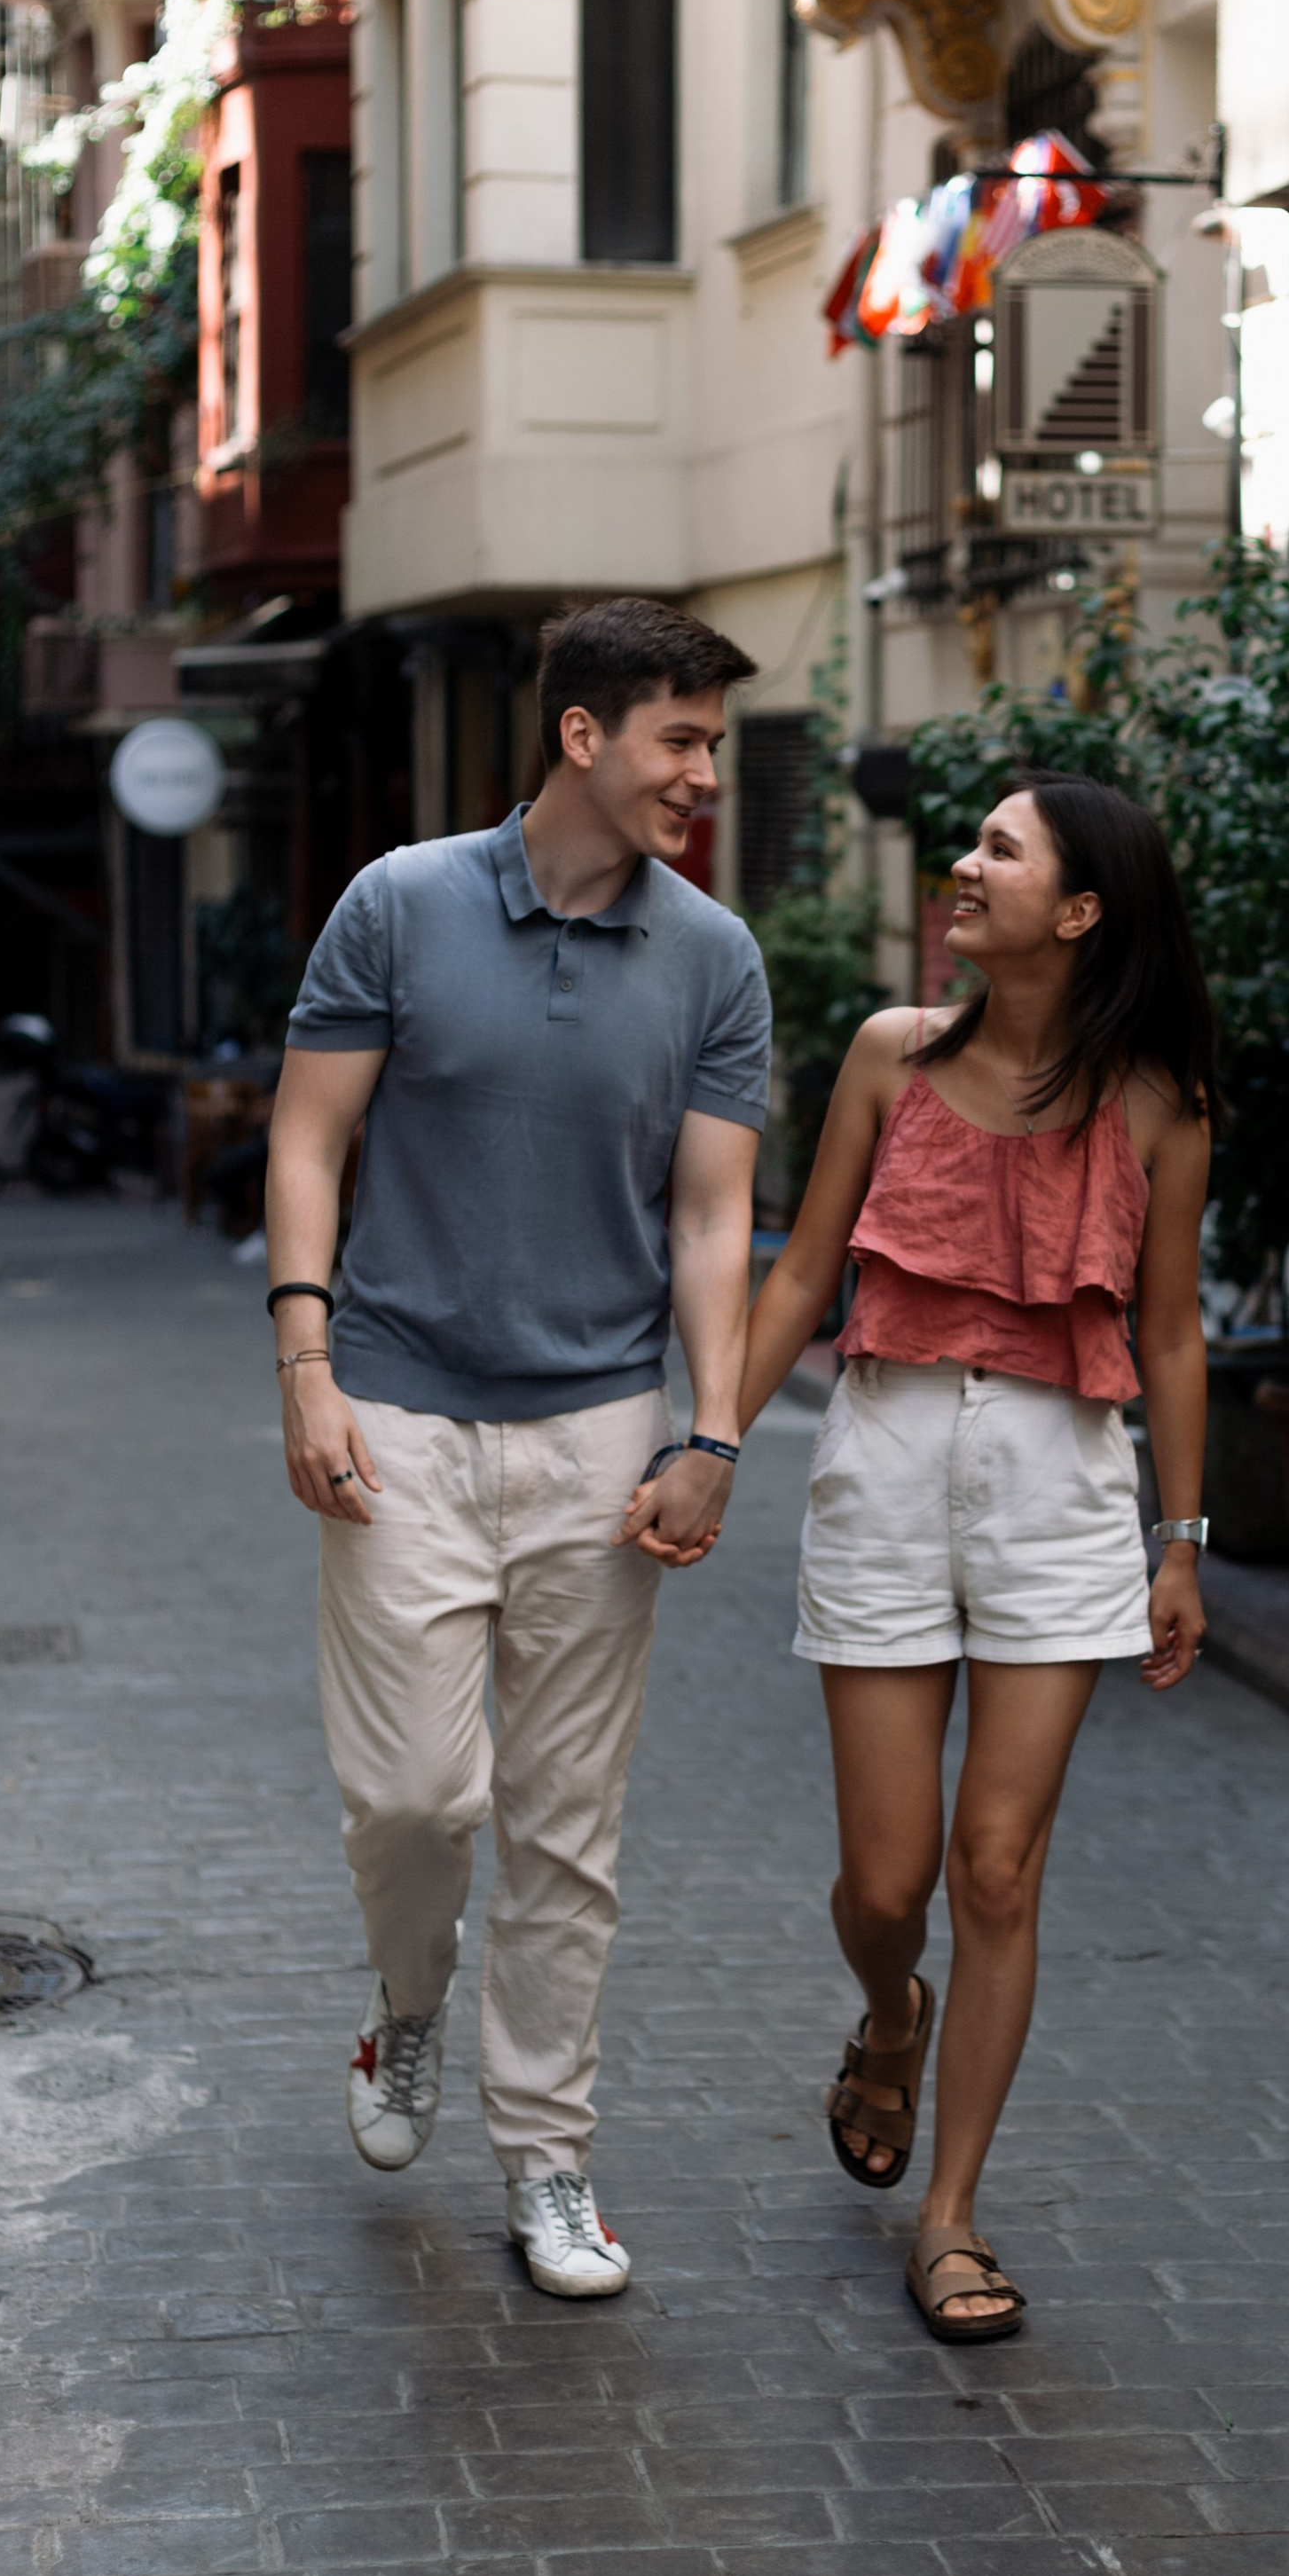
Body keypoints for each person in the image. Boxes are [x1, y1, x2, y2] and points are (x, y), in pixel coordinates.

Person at [265, 597, 767, 2300]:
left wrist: (713, 1427)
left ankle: (548, 2158)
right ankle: (407, 2012)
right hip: (395, 1413)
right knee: (416, 1798)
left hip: (601, 1438)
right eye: (679, 740)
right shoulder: (398, 904)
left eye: (713, 744)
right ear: (582, 735)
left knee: (568, 1826)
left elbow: (713, 1219)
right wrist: (305, 1362)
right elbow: (309, 1139)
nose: (702, 773)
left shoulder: (715, 956)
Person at [727, 772, 1214, 2342]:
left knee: (996, 1867)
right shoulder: (890, 1057)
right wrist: (711, 1441)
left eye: (1001, 849)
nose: (965, 863)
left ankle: (951, 2217)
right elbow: (803, 1269)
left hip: (1060, 1486)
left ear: (1079, 911)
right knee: (888, 1881)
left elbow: (1173, 1331)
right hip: (881, 1461)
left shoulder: (1158, 1105)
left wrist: (1180, 1540)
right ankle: (890, 2014)